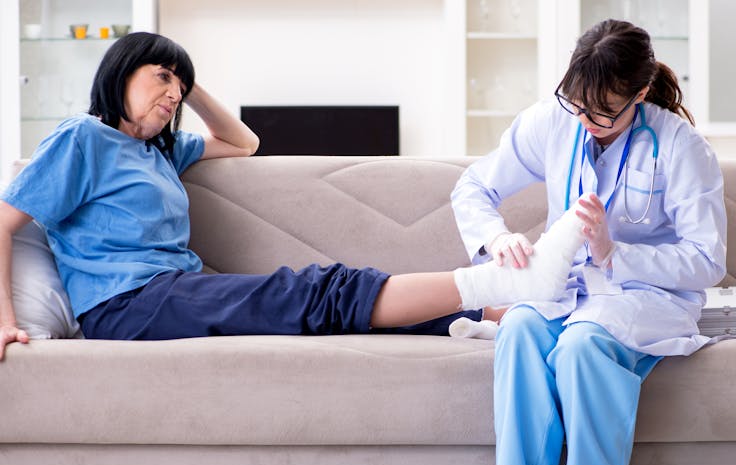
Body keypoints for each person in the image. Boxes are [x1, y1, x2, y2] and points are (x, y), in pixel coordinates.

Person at [0, 32, 587, 359]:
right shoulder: (84, 138)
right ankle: (498, 286)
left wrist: (185, 76)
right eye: (161, 78)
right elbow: (3, 223)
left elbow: (244, 141)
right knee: (312, 290)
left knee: (331, 309)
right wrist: (4, 322)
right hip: (127, 306)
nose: (174, 95)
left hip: (176, 291)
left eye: (179, 87)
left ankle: (512, 313)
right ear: (119, 71)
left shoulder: (160, 150)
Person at [451, 19, 727, 465]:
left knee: (583, 345)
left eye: (602, 116)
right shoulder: (554, 119)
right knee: (518, 331)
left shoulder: (681, 147)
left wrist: (613, 253)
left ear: (639, 95)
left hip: (646, 298)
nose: (584, 122)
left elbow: (707, 260)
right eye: (576, 105)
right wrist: (495, 237)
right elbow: (473, 187)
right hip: (568, 291)